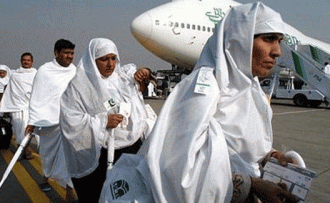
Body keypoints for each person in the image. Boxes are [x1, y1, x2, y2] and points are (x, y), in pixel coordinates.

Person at [100, 2, 300, 203]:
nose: (277, 51)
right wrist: (251, 186)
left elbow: (244, 147)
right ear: (239, 39)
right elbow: (177, 170)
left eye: (279, 41)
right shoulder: (204, 88)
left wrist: (273, 157)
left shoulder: (252, 91)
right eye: (268, 39)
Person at [59, 38, 156, 202]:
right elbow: (70, 121)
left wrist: (144, 71)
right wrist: (103, 122)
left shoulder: (121, 79)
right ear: (92, 59)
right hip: (100, 156)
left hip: (131, 148)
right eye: (104, 59)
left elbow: (136, 79)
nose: (110, 64)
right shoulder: (79, 86)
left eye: (113, 58)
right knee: (98, 195)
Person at [24, 39, 77, 192]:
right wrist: (32, 121)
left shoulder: (75, 71)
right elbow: (37, 97)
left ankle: (69, 192)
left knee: (69, 159)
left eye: (72, 53)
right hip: (49, 122)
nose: (70, 56)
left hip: (70, 123)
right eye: (66, 53)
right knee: (48, 156)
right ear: (56, 53)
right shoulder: (44, 71)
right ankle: (46, 178)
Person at [0, 53, 39, 159]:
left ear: (32, 62)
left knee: (28, 129)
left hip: (30, 107)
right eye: (24, 60)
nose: (26, 62)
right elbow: (10, 91)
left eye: (28, 60)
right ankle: (21, 150)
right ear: (21, 61)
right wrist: (6, 107)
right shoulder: (15, 75)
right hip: (16, 106)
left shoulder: (37, 74)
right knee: (18, 130)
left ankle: (25, 148)